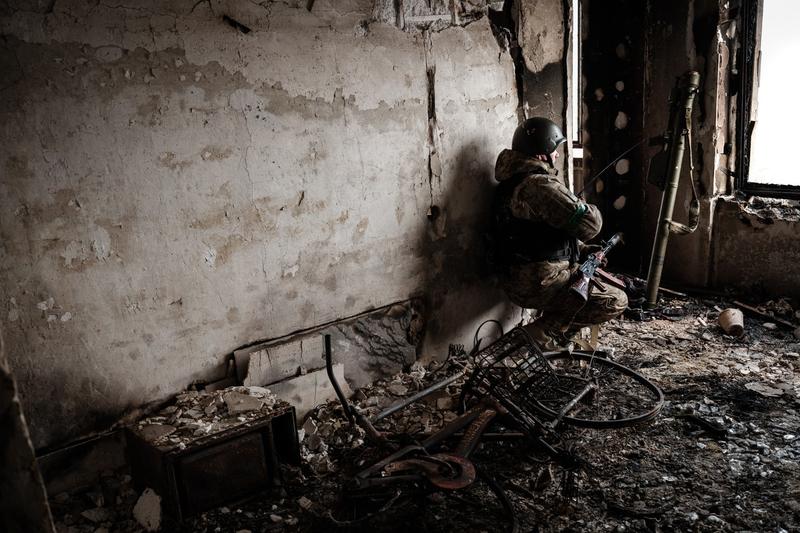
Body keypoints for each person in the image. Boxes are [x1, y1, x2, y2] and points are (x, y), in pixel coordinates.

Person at [492, 117, 627, 349]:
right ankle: (544, 333)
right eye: (555, 150)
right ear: (543, 153)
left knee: (587, 283)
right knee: (616, 300)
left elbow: (536, 237)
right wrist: (585, 206)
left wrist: (583, 251)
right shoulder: (539, 186)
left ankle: (552, 334)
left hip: (516, 276)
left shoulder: (512, 183)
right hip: (538, 282)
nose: (557, 155)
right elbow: (590, 226)